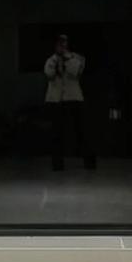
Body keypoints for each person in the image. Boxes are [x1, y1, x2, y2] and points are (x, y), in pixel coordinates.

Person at [44, 33, 94, 171]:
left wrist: (67, 58)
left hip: (74, 98)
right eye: (59, 43)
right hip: (56, 100)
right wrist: (57, 61)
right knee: (56, 134)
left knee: (81, 131)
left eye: (64, 43)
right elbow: (49, 74)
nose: (61, 46)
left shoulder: (77, 58)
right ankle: (57, 165)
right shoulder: (51, 60)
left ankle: (89, 163)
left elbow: (76, 72)